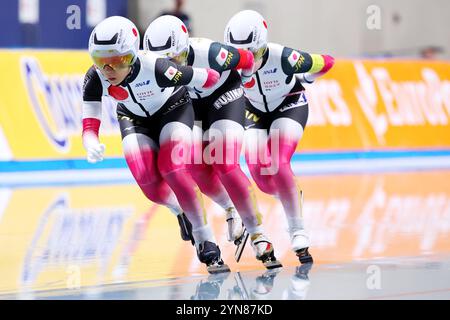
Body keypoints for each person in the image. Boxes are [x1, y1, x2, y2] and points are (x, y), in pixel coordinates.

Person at [81, 16, 230, 274]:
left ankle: (206, 238)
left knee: (172, 169)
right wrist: (90, 140)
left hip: (174, 110)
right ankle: (180, 211)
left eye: (118, 61)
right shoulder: (95, 78)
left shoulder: (158, 68)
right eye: (100, 62)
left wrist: (220, 94)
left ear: (133, 56)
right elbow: (89, 121)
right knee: (148, 182)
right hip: (133, 119)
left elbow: (206, 77)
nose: (109, 71)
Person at [144, 15, 282, 269]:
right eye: (160, 62)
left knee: (224, 163)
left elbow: (248, 59)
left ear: (185, 49)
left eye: (173, 60)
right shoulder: (151, 66)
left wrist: (249, 80)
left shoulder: (213, 53)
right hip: (191, 105)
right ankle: (230, 209)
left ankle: (258, 234)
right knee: (196, 168)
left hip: (224, 97)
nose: (169, 69)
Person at [224, 10, 335, 263]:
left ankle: (298, 231)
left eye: (253, 55)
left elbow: (328, 62)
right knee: (261, 178)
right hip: (253, 112)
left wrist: (306, 77)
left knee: (278, 161)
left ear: (263, 46)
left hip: (289, 105)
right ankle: (291, 191)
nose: (247, 63)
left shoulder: (285, 57)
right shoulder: (227, 61)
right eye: (240, 57)